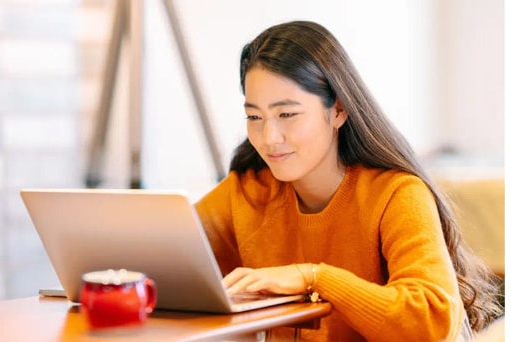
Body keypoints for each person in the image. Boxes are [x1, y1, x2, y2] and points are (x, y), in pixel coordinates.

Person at [194, 20, 503, 341]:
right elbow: (169, 252)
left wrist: (314, 277)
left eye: (287, 114)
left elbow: (431, 320)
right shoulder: (248, 191)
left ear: (338, 110)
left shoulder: (396, 193)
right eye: (255, 117)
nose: (269, 137)